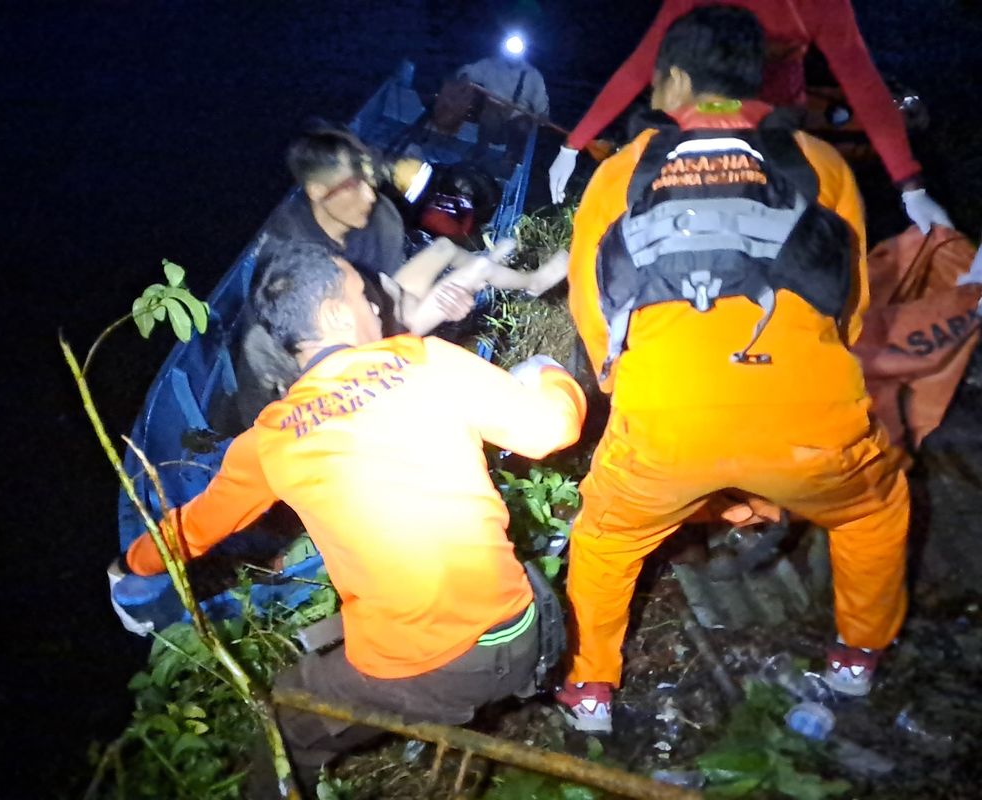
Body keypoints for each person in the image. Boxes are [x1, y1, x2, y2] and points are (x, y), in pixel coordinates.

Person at [557, 6, 909, 733]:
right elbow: (852, 310)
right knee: (874, 514)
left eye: (657, 77)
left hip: (665, 432)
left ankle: (591, 687)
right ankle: (856, 659)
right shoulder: (823, 163)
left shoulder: (622, 174)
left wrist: (623, 387)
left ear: (679, 78)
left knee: (604, 541)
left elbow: (596, 317)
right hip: (812, 432)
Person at [122, 241, 588, 785]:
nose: (377, 309)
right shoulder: (424, 360)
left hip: (439, 664)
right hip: (519, 628)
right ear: (336, 314)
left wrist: (133, 562)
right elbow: (554, 429)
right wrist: (551, 373)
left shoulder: (269, 437)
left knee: (286, 717)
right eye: (367, 299)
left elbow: (187, 536)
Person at [237, 126, 568, 421]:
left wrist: (434, 306)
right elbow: (283, 352)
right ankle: (481, 273)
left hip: (375, 317)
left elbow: (392, 297)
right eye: (352, 187)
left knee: (444, 250)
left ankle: (531, 282)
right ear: (316, 192)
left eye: (369, 181)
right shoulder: (287, 251)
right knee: (452, 289)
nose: (369, 195)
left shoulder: (380, 218)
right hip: (325, 373)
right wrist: (432, 313)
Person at [546, 0, 954, 234]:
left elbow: (862, 80)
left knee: (791, 205)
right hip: (713, 107)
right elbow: (641, 66)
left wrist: (910, 185)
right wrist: (573, 143)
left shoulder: (817, 4)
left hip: (777, 116)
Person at [457, 32, 550, 158]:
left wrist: (543, 114)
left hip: (516, 118)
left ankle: (511, 157)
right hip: (491, 115)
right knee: (490, 116)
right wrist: (463, 76)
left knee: (522, 126)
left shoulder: (533, 75)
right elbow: (468, 71)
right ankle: (480, 150)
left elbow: (541, 101)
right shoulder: (490, 65)